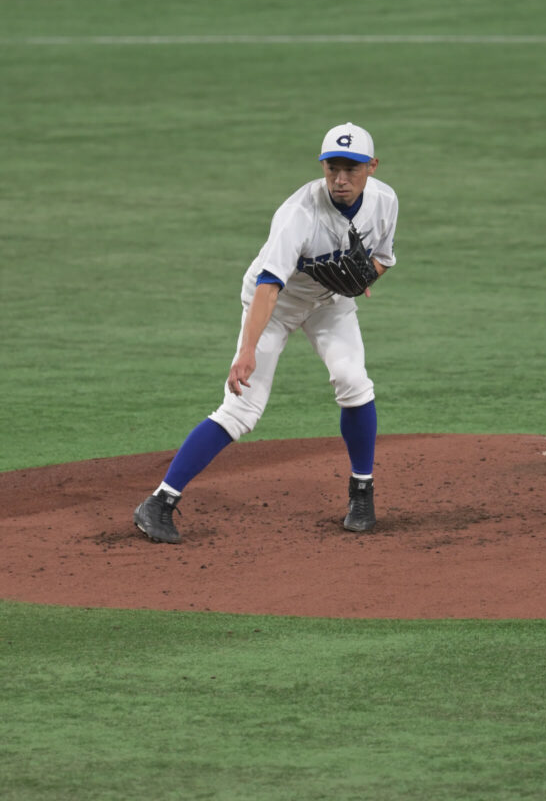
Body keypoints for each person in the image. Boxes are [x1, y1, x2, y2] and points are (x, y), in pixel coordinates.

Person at [133, 122, 399, 543]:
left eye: (351, 168)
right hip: (274, 304)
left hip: (329, 303)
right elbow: (269, 286)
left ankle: (361, 494)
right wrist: (247, 350)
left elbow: (382, 259)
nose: (340, 178)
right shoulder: (299, 214)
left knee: (353, 381)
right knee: (242, 409)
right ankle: (158, 503)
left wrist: (363, 279)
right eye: (333, 168)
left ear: (372, 167)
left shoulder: (385, 201)